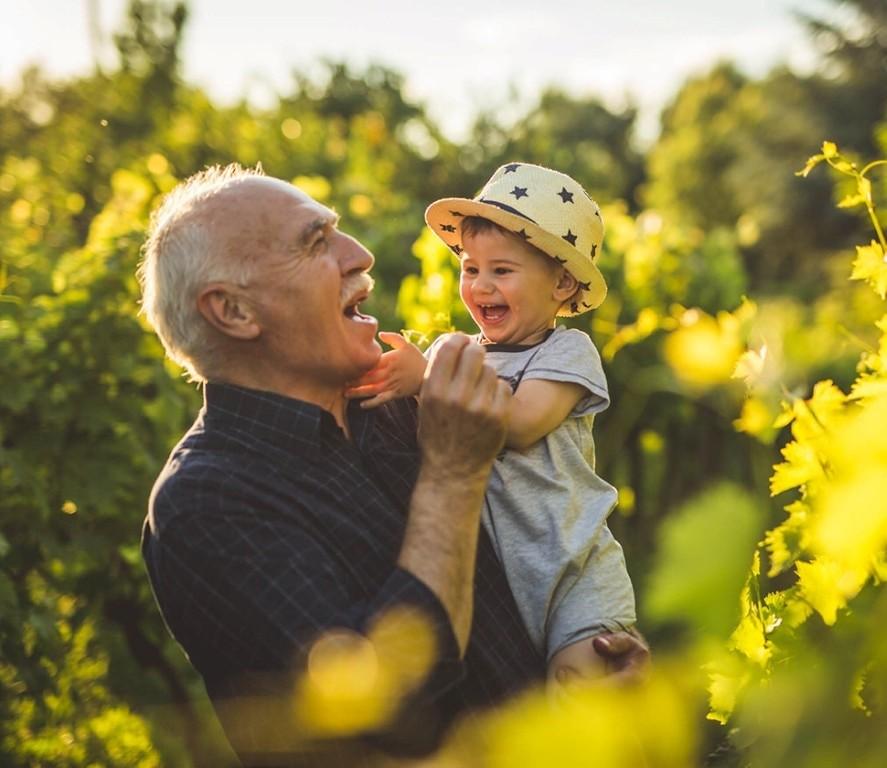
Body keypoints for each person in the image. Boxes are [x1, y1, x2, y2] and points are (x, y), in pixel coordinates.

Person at [138, 164, 649, 767]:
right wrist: (453, 474)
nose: (361, 256)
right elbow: (382, 704)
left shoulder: (397, 411)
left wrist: (598, 641)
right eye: (316, 243)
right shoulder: (208, 502)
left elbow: (545, 520)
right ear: (234, 311)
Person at [346, 162, 636, 684]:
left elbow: (522, 422)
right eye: (469, 268)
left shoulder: (567, 353)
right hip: (499, 580)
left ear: (562, 282)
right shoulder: (450, 354)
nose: (481, 286)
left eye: (502, 271)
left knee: (581, 693)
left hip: (572, 573)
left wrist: (425, 378)